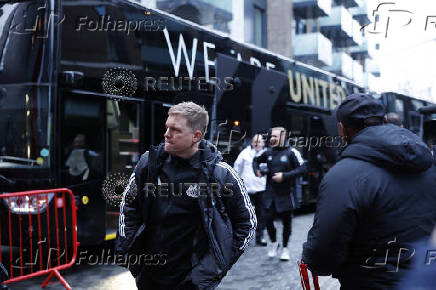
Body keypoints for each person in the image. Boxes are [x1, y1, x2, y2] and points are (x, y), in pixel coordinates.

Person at [115, 102, 256, 290]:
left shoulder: (220, 173)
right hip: (149, 276)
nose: (166, 134)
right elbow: (128, 206)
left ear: (196, 136)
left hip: (192, 281)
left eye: (175, 130)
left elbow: (247, 223)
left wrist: (214, 268)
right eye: (167, 127)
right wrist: (130, 253)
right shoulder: (149, 163)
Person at [302, 93, 436, 289]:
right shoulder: (428, 163)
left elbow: (322, 256)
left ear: (341, 129)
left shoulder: (342, 176)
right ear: (384, 121)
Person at [252, 127, 306, 261]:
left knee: (287, 222)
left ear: (284, 137)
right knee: (268, 219)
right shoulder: (268, 152)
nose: (272, 139)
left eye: (275, 136)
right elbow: (255, 160)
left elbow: (303, 168)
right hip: (270, 194)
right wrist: (257, 171)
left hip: (286, 194)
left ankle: (285, 248)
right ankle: (274, 242)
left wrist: (285, 176)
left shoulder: (292, 152)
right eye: (271, 136)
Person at [234, 134, 267, 246]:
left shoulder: (266, 154)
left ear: (263, 143)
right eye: (255, 141)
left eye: (259, 141)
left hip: (261, 189)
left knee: (261, 215)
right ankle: (243, 238)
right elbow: (236, 168)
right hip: (246, 190)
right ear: (252, 142)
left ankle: (260, 237)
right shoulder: (244, 153)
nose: (257, 143)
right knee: (245, 215)